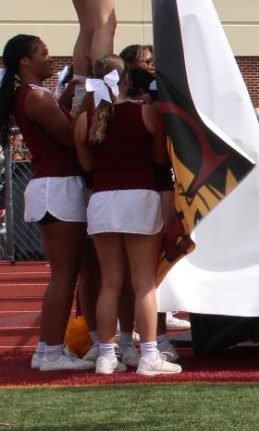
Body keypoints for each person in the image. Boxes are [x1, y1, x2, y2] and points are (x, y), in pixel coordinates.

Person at [72, 55, 180, 375]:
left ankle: (106, 356)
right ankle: (148, 355)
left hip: (103, 200)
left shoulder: (85, 119)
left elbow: (88, 167)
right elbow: (160, 159)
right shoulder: (146, 114)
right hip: (139, 198)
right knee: (144, 283)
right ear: (127, 81)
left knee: (110, 283)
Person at [1, 35, 95, 372]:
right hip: (57, 185)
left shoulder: (37, 96)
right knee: (64, 275)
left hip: (56, 184)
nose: (48, 57)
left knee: (72, 273)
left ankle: (49, 348)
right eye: (42, 53)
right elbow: (70, 137)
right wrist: (87, 101)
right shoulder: (36, 97)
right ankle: (51, 350)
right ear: (24, 61)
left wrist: (71, 95)